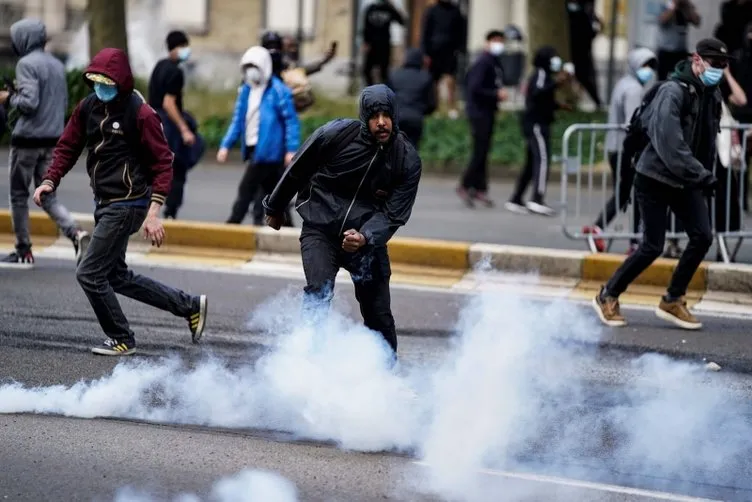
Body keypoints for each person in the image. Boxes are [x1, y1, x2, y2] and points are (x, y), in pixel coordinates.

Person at [33, 48, 208, 356]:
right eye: (96, 80)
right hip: (104, 200)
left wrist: (153, 214)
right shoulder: (88, 107)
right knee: (115, 276)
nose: (101, 87)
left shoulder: (140, 113)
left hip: (129, 203)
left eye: (108, 82)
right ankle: (189, 306)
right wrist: (50, 180)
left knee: (89, 273)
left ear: (122, 81)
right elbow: (68, 146)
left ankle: (122, 337)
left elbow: (163, 163)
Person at [261, 84, 422, 360]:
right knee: (318, 292)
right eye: (374, 116)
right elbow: (298, 167)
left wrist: (365, 236)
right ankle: (305, 362)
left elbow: (394, 214)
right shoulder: (336, 135)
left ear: (395, 115)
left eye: (386, 115)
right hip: (320, 230)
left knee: (378, 312)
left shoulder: (406, 160)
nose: (381, 122)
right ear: (364, 116)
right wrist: (275, 206)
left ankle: (385, 373)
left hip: (365, 244)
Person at [592, 38, 730, 331]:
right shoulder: (672, 91)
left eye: (722, 65)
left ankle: (672, 299)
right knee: (652, 245)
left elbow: (706, 141)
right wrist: (701, 175)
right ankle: (608, 294)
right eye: (712, 64)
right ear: (696, 60)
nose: (717, 69)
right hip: (654, 177)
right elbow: (670, 144)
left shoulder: (712, 93)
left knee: (702, 236)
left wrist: (707, 174)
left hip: (686, 179)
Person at [0, 19, 89, 266]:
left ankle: (23, 250)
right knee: (48, 196)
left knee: (19, 195)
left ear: (24, 39)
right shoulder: (56, 64)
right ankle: (76, 233)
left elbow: (29, 103)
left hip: (28, 140)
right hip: (52, 139)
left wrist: (9, 97)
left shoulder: (26, 64)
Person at [582, 48, 658, 254]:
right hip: (626, 149)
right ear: (634, 65)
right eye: (644, 65)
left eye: (651, 66)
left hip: (616, 148)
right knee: (637, 193)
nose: (648, 70)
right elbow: (633, 123)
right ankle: (634, 241)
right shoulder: (633, 89)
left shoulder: (623, 83)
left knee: (625, 193)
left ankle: (600, 229)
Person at [216, 46, 300, 226]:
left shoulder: (278, 90)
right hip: (254, 148)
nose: (251, 71)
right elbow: (238, 120)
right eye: (247, 67)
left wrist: (291, 149)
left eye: (255, 66)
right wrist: (225, 145)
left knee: (246, 189)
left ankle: (233, 223)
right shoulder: (246, 91)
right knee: (275, 192)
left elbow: (291, 121)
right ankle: (287, 226)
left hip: (270, 151)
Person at [507, 46, 570, 216]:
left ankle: (516, 198)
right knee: (542, 159)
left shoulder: (544, 76)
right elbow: (538, 93)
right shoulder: (542, 74)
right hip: (536, 124)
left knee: (530, 162)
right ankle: (537, 198)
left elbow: (541, 99)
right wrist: (557, 83)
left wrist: (558, 105)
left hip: (535, 122)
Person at [147, 30, 199, 220]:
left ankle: (149, 208)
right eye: (184, 46)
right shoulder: (175, 72)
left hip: (153, 123)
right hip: (169, 127)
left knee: (156, 168)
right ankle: (170, 212)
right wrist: (184, 129)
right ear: (176, 48)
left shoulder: (159, 65)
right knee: (177, 169)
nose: (187, 50)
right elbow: (169, 103)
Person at [456, 30, 508, 208]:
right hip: (479, 113)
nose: (498, 44)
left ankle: (480, 188)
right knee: (479, 151)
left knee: (484, 151)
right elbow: (475, 88)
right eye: (495, 40)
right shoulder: (483, 62)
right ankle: (465, 184)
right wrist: (496, 94)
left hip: (487, 112)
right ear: (487, 42)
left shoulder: (494, 63)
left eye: (501, 40)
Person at [421, 0, 467, 119]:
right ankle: (435, 108)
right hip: (433, 50)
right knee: (434, 81)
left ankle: (452, 107)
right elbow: (425, 31)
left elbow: (462, 30)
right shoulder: (431, 10)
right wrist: (425, 52)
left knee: (450, 78)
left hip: (451, 50)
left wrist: (461, 48)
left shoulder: (455, 11)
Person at [386, 47, 437, 149]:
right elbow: (432, 103)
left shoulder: (394, 75)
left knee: (394, 149)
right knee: (412, 149)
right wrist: (422, 111)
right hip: (415, 119)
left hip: (397, 118)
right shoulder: (426, 77)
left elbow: (387, 98)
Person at [566, 0, 603, 109]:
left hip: (581, 53)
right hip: (576, 51)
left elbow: (593, 31)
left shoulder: (585, 16)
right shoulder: (575, 15)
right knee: (582, 78)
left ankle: (597, 102)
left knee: (584, 77)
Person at [359, 0, 405, 86]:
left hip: (384, 45)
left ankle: (383, 93)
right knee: (366, 70)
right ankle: (371, 90)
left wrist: (394, 7)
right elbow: (366, 27)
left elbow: (401, 21)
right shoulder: (370, 8)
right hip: (372, 46)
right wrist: (365, 42)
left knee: (384, 72)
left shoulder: (388, 9)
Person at [655, 0, 701, 81]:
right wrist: (674, 6)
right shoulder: (665, 5)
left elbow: (697, 22)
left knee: (681, 79)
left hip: (681, 52)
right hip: (666, 51)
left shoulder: (686, 7)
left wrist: (688, 7)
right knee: (662, 81)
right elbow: (662, 20)